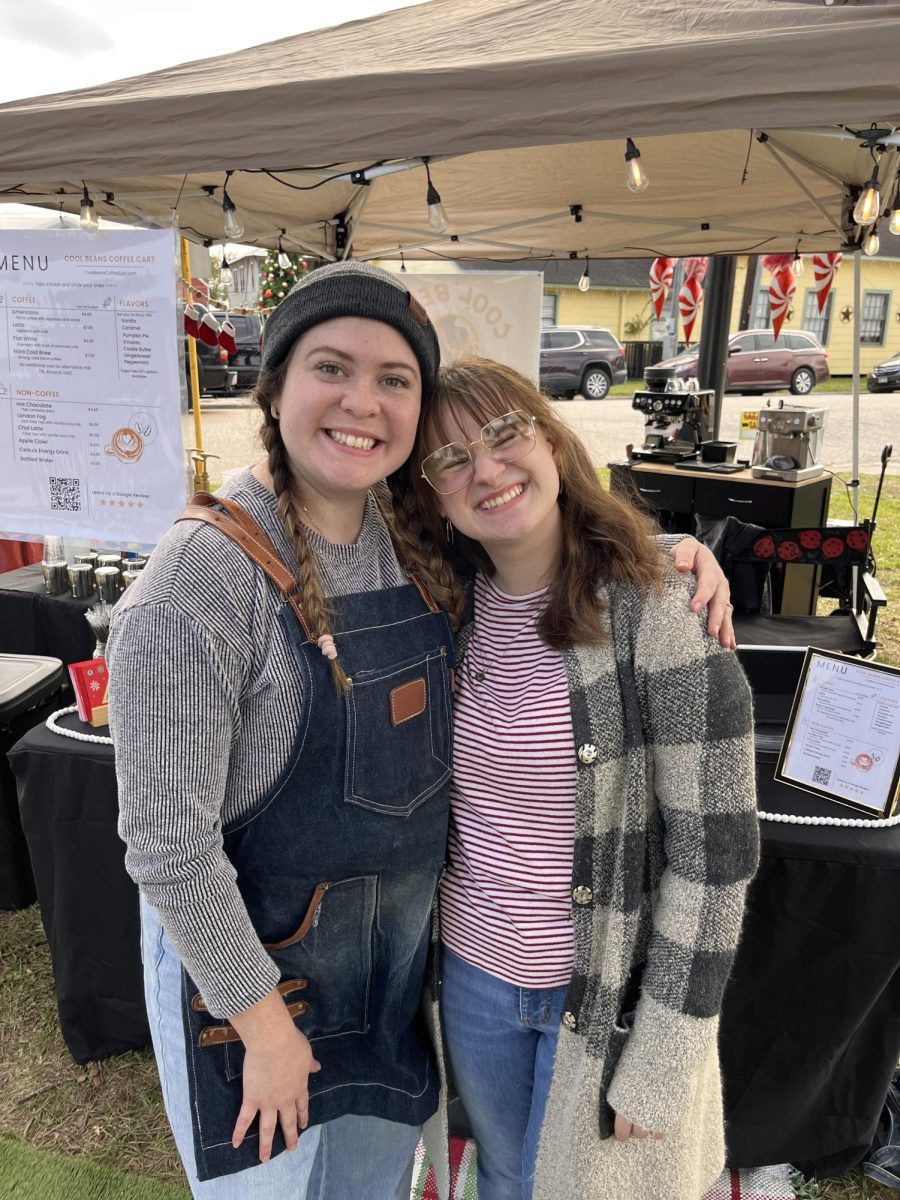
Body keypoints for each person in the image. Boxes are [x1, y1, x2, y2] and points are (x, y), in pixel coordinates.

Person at [106, 262, 735, 1199]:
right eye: (332, 368)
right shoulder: (197, 580)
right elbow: (166, 846)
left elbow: (712, 848)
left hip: (396, 984)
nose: (362, 401)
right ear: (274, 389)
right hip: (257, 998)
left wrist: (664, 555)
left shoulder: (415, 554)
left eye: (393, 379)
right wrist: (265, 1029)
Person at [402, 357, 759, 1200]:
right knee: (506, 1179)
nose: (485, 469)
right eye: (451, 459)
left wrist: (666, 1049)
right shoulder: (441, 609)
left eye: (502, 434)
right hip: (477, 978)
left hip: (602, 993)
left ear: (553, 442)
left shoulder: (658, 610)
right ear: (434, 498)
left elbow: (717, 857)